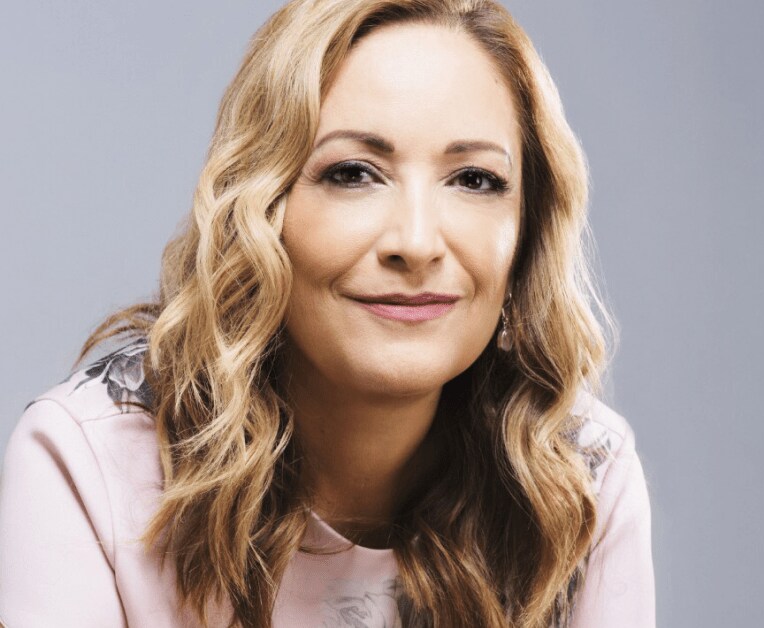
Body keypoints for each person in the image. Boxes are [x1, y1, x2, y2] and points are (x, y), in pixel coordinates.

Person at [0, 0, 654, 626]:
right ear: (260, 211)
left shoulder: (579, 481)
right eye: (353, 173)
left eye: (474, 180)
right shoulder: (88, 465)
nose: (417, 243)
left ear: (527, 232)